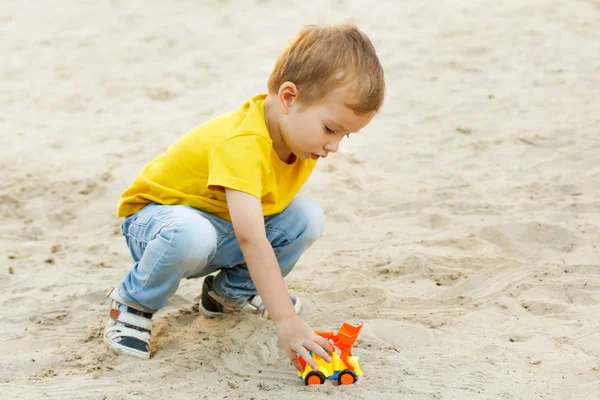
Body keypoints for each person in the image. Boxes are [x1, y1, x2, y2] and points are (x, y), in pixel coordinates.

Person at [103, 24, 385, 372]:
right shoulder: (244, 143)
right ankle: (133, 303)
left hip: (221, 228)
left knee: (306, 218)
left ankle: (227, 294)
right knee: (191, 235)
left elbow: (258, 224)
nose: (334, 146)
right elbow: (250, 237)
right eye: (330, 129)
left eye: (345, 135)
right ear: (288, 98)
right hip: (161, 225)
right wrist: (286, 321)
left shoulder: (299, 138)